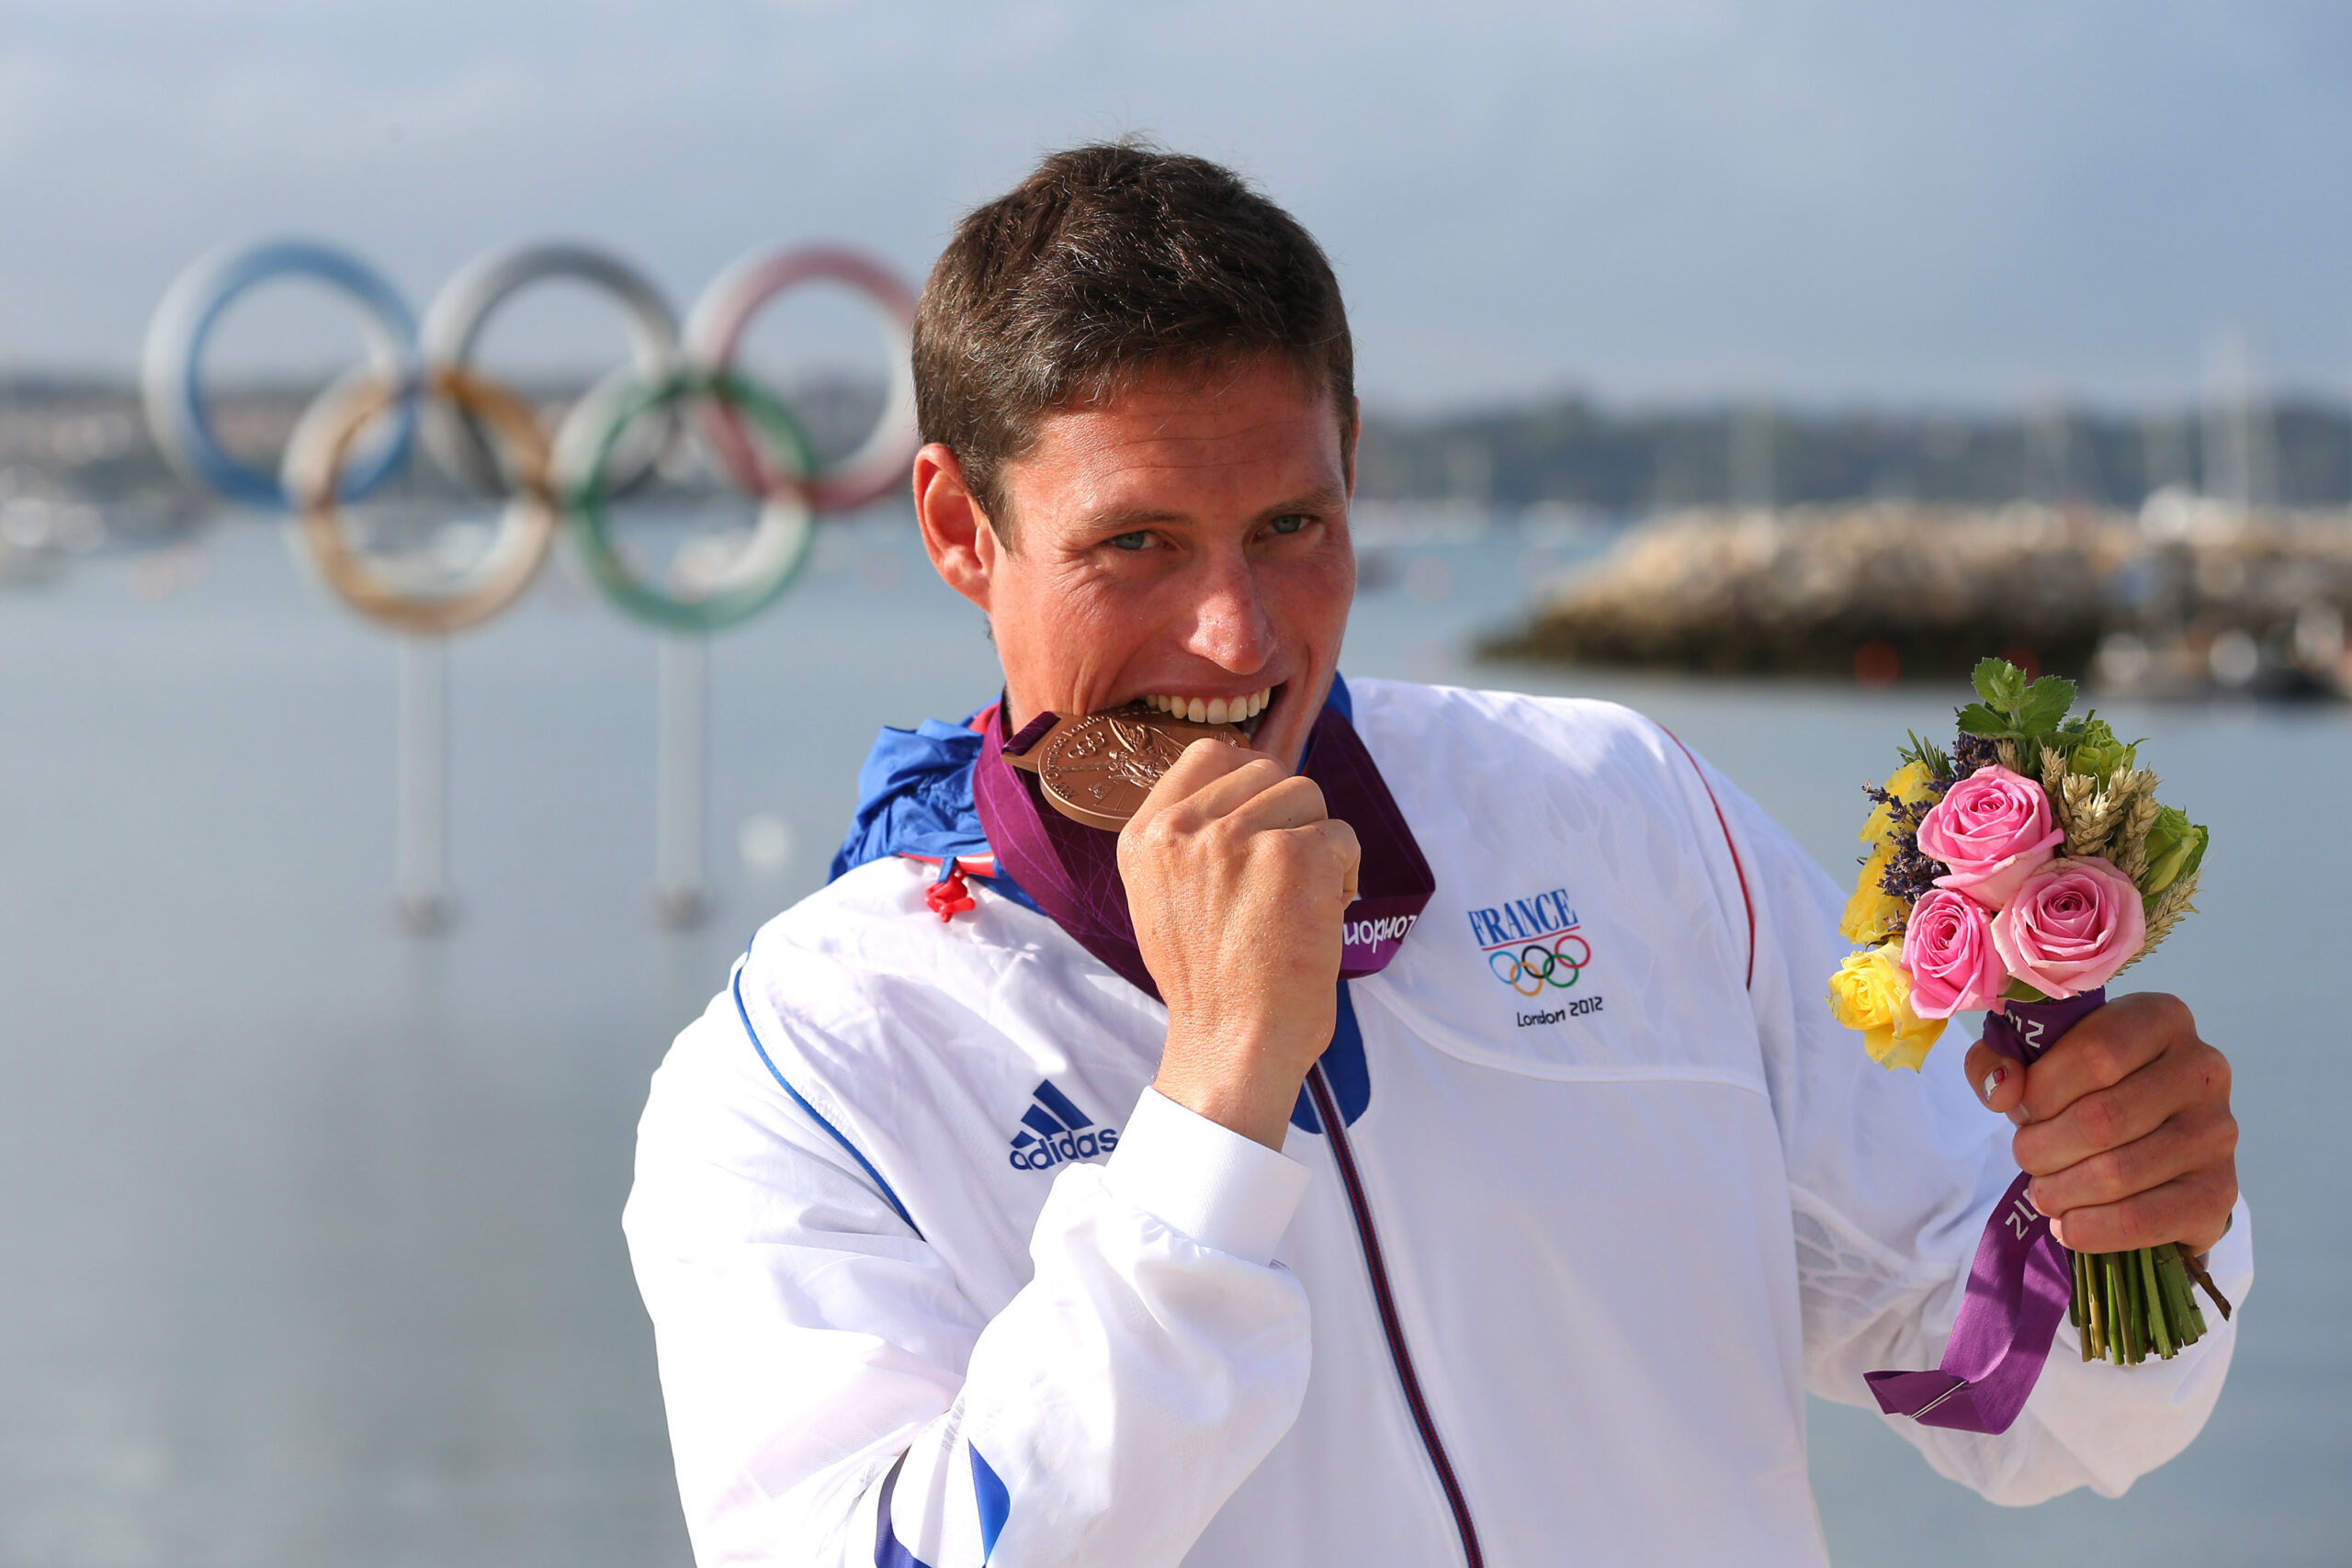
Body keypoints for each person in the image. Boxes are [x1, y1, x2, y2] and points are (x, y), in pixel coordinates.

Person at [623, 143, 2248, 1567]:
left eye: (1292, 527)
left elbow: (2028, 1403)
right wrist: (1211, 1104)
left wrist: (2130, 1213)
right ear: (960, 530)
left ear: (1354, 469)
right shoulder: (813, 1064)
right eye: (1135, 544)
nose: (1235, 636)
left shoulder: (1616, 809)